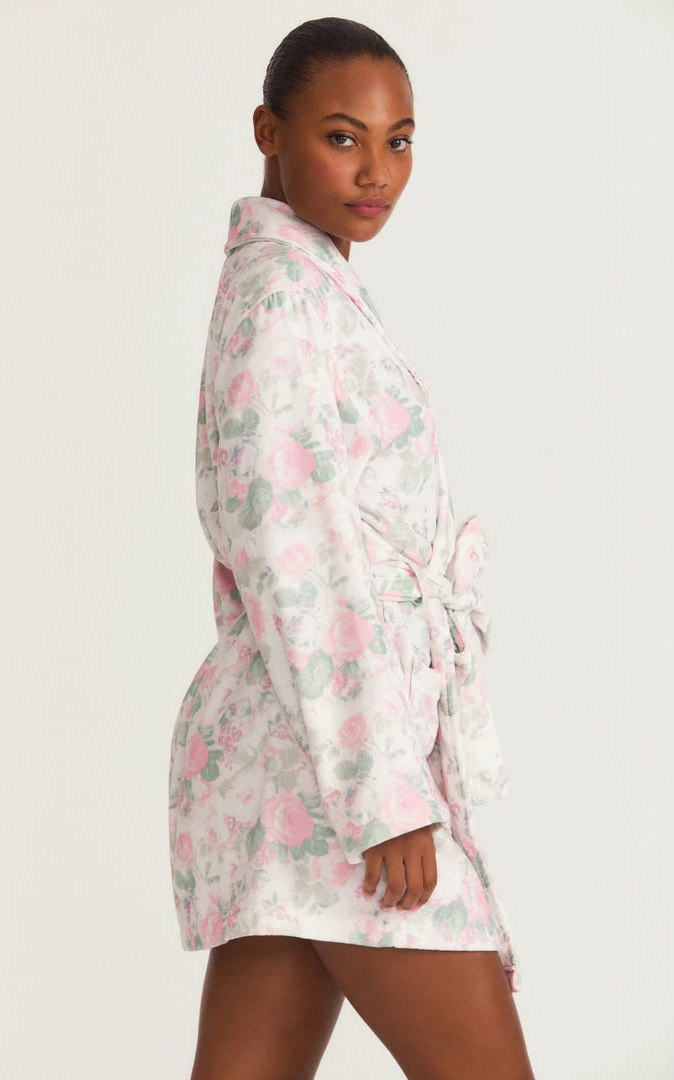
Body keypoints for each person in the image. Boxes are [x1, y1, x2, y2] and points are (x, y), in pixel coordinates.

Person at [168, 16, 536, 1080]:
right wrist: (384, 798)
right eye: (342, 138)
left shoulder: (305, 284)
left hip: (304, 765)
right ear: (269, 132)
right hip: (336, 777)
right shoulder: (284, 302)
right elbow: (298, 561)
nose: (378, 172)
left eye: (399, 141)